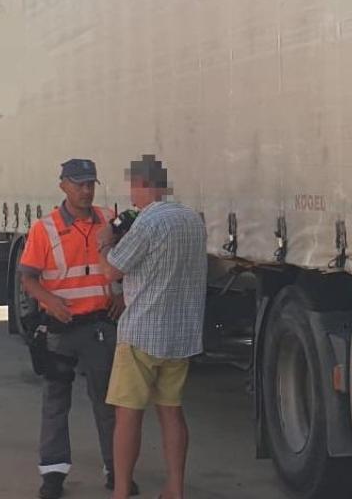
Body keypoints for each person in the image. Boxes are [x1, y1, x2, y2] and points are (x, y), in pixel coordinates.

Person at [19, 158, 134, 499]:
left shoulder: (108, 222)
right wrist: (50, 302)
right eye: (79, 184)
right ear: (63, 186)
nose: (85, 191)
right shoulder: (46, 228)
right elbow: (28, 277)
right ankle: (53, 475)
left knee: (108, 402)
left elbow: (132, 265)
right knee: (56, 402)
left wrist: (123, 296)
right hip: (60, 330)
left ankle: (117, 470)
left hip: (100, 327)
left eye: (90, 184)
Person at [98, 155, 207, 499]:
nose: (131, 196)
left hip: (142, 334)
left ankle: (120, 492)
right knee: (171, 411)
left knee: (127, 415)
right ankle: (175, 488)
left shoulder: (147, 223)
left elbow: (113, 270)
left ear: (144, 184)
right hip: (181, 333)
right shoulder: (192, 220)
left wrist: (104, 242)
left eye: (133, 187)